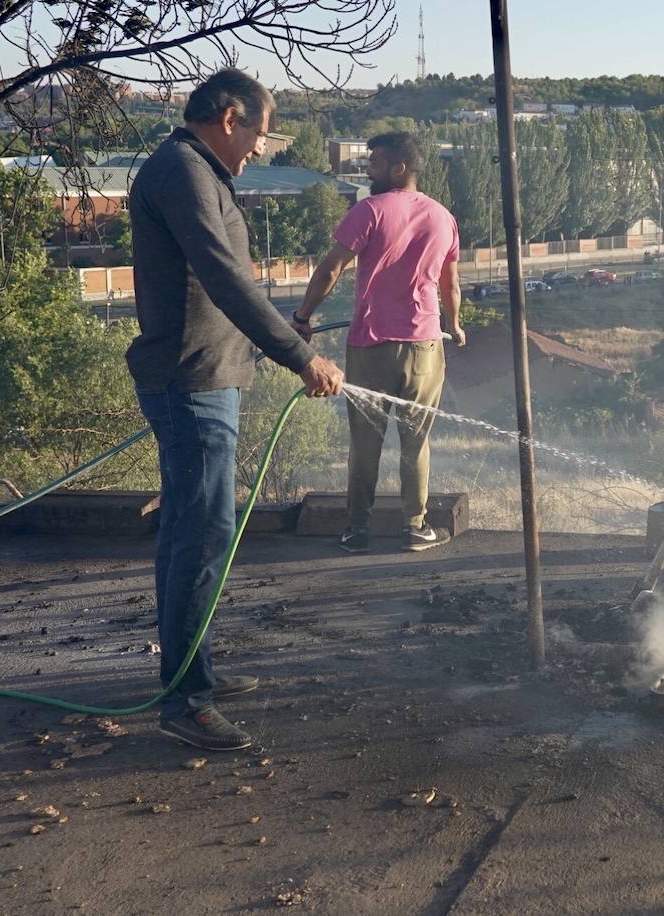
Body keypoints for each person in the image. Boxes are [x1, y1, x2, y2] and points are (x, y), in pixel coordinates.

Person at [126, 69, 345, 752]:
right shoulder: (183, 170)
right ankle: (186, 701)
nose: (258, 148)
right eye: (257, 132)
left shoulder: (194, 171)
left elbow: (226, 281)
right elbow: (223, 277)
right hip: (191, 384)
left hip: (203, 379)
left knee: (190, 535)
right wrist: (296, 354)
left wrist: (282, 337)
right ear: (229, 118)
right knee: (200, 535)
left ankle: (192, 674)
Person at [291, 131, 465, 554]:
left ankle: (356, 530)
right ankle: (415, 528)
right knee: (416, 441)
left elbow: (331, 268)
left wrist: (302, 317)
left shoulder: (368, 211)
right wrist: (455, 326)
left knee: (365, 444)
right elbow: (451, 283)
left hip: (369, 347)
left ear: (398, 168)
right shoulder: (443, 217)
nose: (368, 170)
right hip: (424, 348)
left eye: (374, 163)